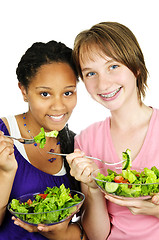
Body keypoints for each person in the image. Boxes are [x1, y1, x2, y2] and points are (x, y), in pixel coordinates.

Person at [66, 22, 159, 240]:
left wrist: (154, 210)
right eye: (90, 73)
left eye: (113, 66)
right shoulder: (86, 141)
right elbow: (97, 236)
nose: (103, 83)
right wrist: (93, 187)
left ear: (136, 67)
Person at [0, 40, 87, 240]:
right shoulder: (3, 134)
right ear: (24, 91)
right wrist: (5, 174)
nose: (59, 106)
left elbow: (86, 233)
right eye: (45, 94)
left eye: (68, 93)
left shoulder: (77, 147)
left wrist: (59, 233)